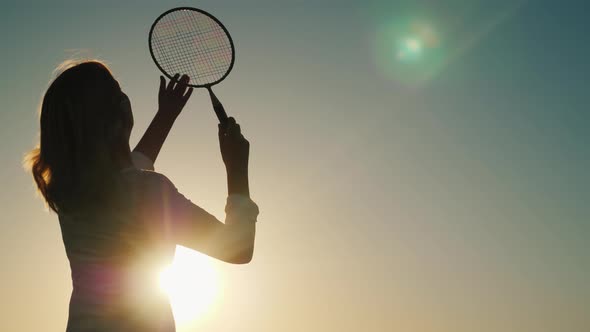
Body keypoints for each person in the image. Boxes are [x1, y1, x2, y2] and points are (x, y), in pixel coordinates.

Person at [24, 60, 258, 331]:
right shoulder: (149, 193)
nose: (124, 96)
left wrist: (165, 116)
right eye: (117, 91)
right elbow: (237, 248)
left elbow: (132, 166)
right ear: (117, 115)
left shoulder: (72, 197)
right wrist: (237, 169)